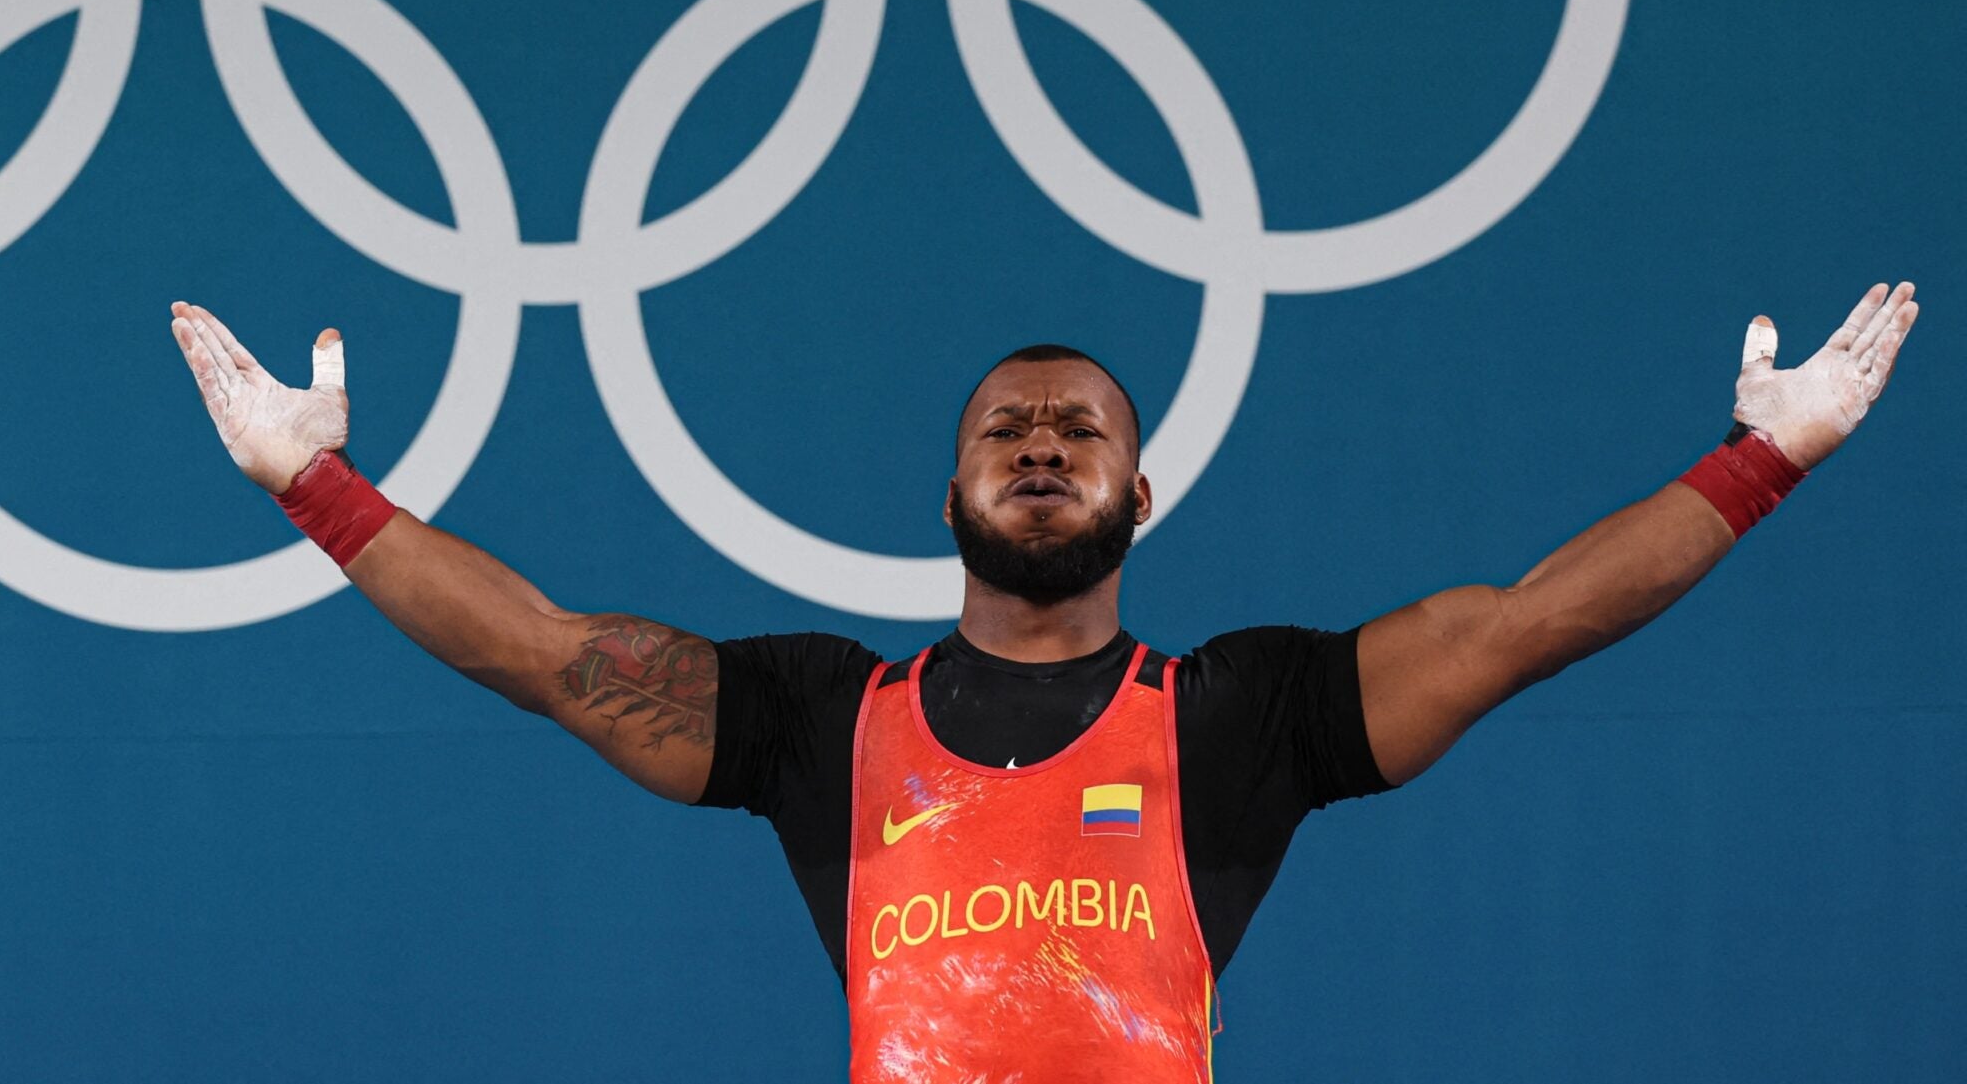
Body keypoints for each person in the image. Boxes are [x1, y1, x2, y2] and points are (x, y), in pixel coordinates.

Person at [166, 282, 1917, 1082]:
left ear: (1138, 495)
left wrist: (1765, 464)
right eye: (1005, 425)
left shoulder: (1245, 716)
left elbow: (1533, 618)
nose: (1041, 442)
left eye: (1081, 427)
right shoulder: (814, 720)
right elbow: (551, 658)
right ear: (950, 495)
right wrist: (319, 492)